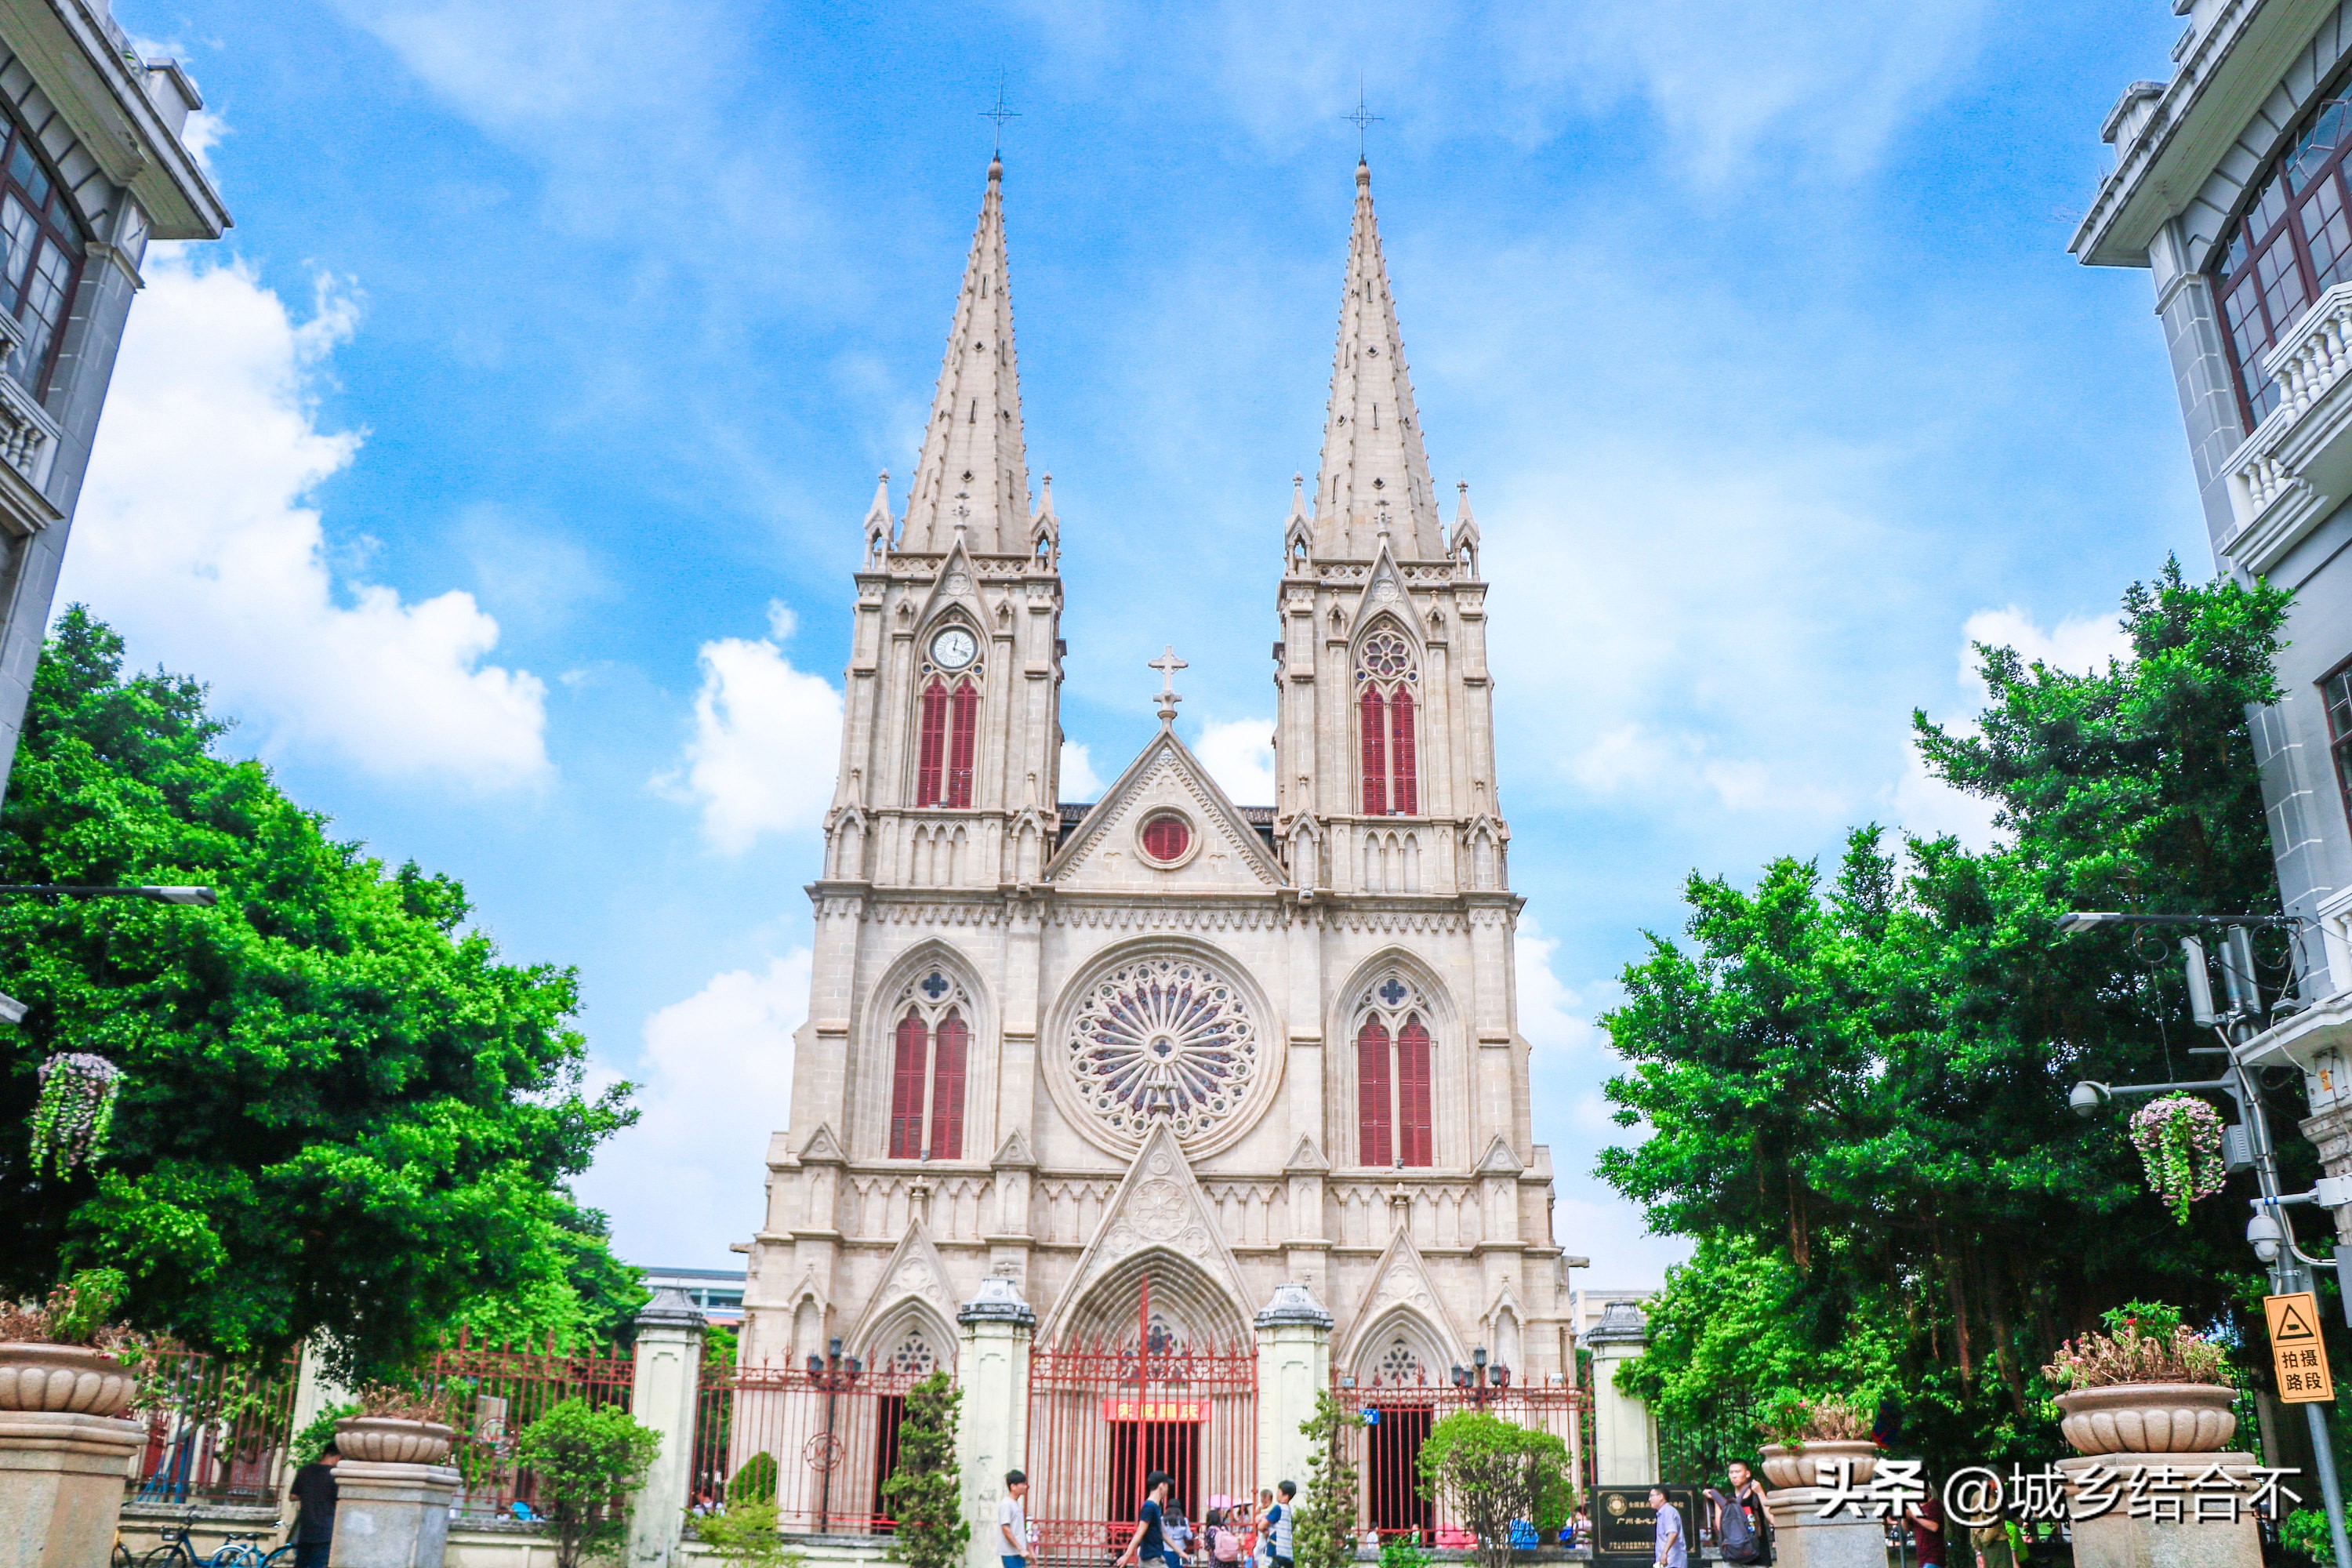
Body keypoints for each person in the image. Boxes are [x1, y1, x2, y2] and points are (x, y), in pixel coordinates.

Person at [288, 1442, 341, 1568]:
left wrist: (308, 1493)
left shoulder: (304, 1471)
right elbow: (338, 1501)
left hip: (306, 1530)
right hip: (325, 1531)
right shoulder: (335, 1476)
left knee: (301, 1564)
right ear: (338, 1457)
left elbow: (292, 1496)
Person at [1119, 1472, 1178, 1568]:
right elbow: (1140, 1532)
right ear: (1161, 1486)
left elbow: (1163, 1534)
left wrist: (1179, 1552)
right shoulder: (1149, 1507)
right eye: (1167, 1485)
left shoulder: (1155, 1507)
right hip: (1151, 1559)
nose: (1168, 1489)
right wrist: (1127, 1555)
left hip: (1153, 1557)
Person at [1726, 1461, 1773, 1566]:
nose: (1734, 1475)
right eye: (1731, 1472)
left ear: (1747, 1474)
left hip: (1758, 1553)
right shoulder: (1729, 1498)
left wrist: (1760, 1492)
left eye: (1737, 1472)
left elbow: (1772, 1518)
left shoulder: (1756, 1495)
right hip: (1736, 1553)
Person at [1906, 1482, 1944, 1568]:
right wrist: (1904, 1516)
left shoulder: (1934, 1504)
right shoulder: (1915, 1508)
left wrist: (1913, 1515)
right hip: (1922, 1557)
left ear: (1927, 1490)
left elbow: (1934, 1527)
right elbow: (1906, 1528)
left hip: (1934, 1557)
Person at [1000, 1470, 1032, 1568]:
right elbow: (1005, 1529)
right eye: (1022, 1484)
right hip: (1011, 1554)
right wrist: (1020, 1549)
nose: (1025, 1487)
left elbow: (1020, 1532)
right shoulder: (1006, 1504)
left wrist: (1030, 1551)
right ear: (1013, 1486)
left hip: (1018, 1554)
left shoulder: (1016, 1505)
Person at [1650, 1486, 1686, 1568]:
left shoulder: (1668, 1512)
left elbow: (1673, 1533)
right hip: (1666, 1563)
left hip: (1672, 1562)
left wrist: (1664, 1553)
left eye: (1651, 1496)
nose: (1649, 1499)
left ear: (1660, 1496)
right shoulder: (1662, 1513)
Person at [1265, 1482, 1297, 1568]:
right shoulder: (1288, 1509)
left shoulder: (1278, 1508)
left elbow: (1261, 1525)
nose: (1277, 1494)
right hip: (1287, 1552)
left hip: (1277, 1550)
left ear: (1286, 1496)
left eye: (1279, 1492)